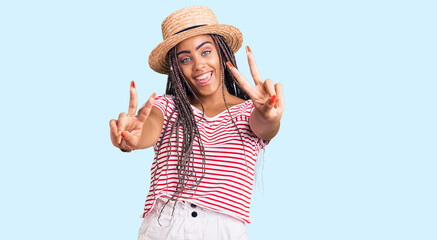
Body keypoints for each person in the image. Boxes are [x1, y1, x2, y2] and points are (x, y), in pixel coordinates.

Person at [109, 6, 284, 240]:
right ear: (176, 68)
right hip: (166, 226)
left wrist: (268, 115)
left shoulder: (249, 111)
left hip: (223, 230)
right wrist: (131, 137)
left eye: (205, 52)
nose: (198, 65)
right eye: (185, 59)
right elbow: (148, 128)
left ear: (222, 53)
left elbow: (264, 126)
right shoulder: (168, 107)